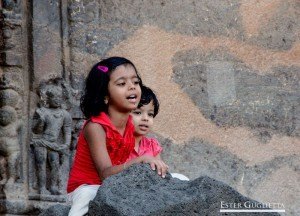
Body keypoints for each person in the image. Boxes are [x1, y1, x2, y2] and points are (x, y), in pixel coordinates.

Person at [67, 57, 168, 216]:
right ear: (104, 96)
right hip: (87, 188)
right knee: (89, 196)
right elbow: (105, 173)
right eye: (122, 84)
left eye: (135, 82)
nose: (132, 87)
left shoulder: (129, 124)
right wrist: (140, 159)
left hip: (114, 187)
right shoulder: (96, 127)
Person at [129, 85, 189, 181]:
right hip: (124, 187)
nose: (145, 118)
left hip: (147, 187)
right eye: (138, 112)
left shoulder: (152, 145)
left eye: (150, 114)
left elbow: (160, 173)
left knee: (182, 178)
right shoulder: (118, 143)